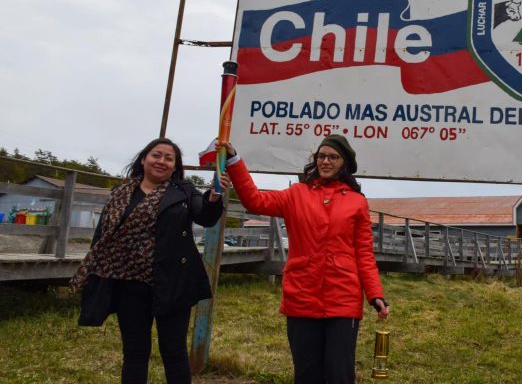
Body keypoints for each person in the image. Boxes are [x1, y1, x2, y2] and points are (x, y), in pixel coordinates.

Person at [218, 134, 390, 384]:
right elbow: (254, 200)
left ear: (345, 163)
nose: (326, 161)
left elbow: (364, 253)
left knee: (339, 374)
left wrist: (375, 294)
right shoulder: (295, 194)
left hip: (343, 298)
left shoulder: (357, 202)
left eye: (333, 157)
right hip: (301, 294)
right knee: (306, 373)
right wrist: (234, 161)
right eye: (321, 156)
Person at [70, 138, 229, 384]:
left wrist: (214, 196)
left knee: (174, 353)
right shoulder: (121, 192)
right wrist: (93, 274)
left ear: (175, 167)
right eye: (157, 155)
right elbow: (102, 237)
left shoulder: (185, 192)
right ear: (144, 159)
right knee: (134, 354)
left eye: (169, 158)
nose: (161, 161)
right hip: (127, 283)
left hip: (172, 283)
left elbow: (205, 217)